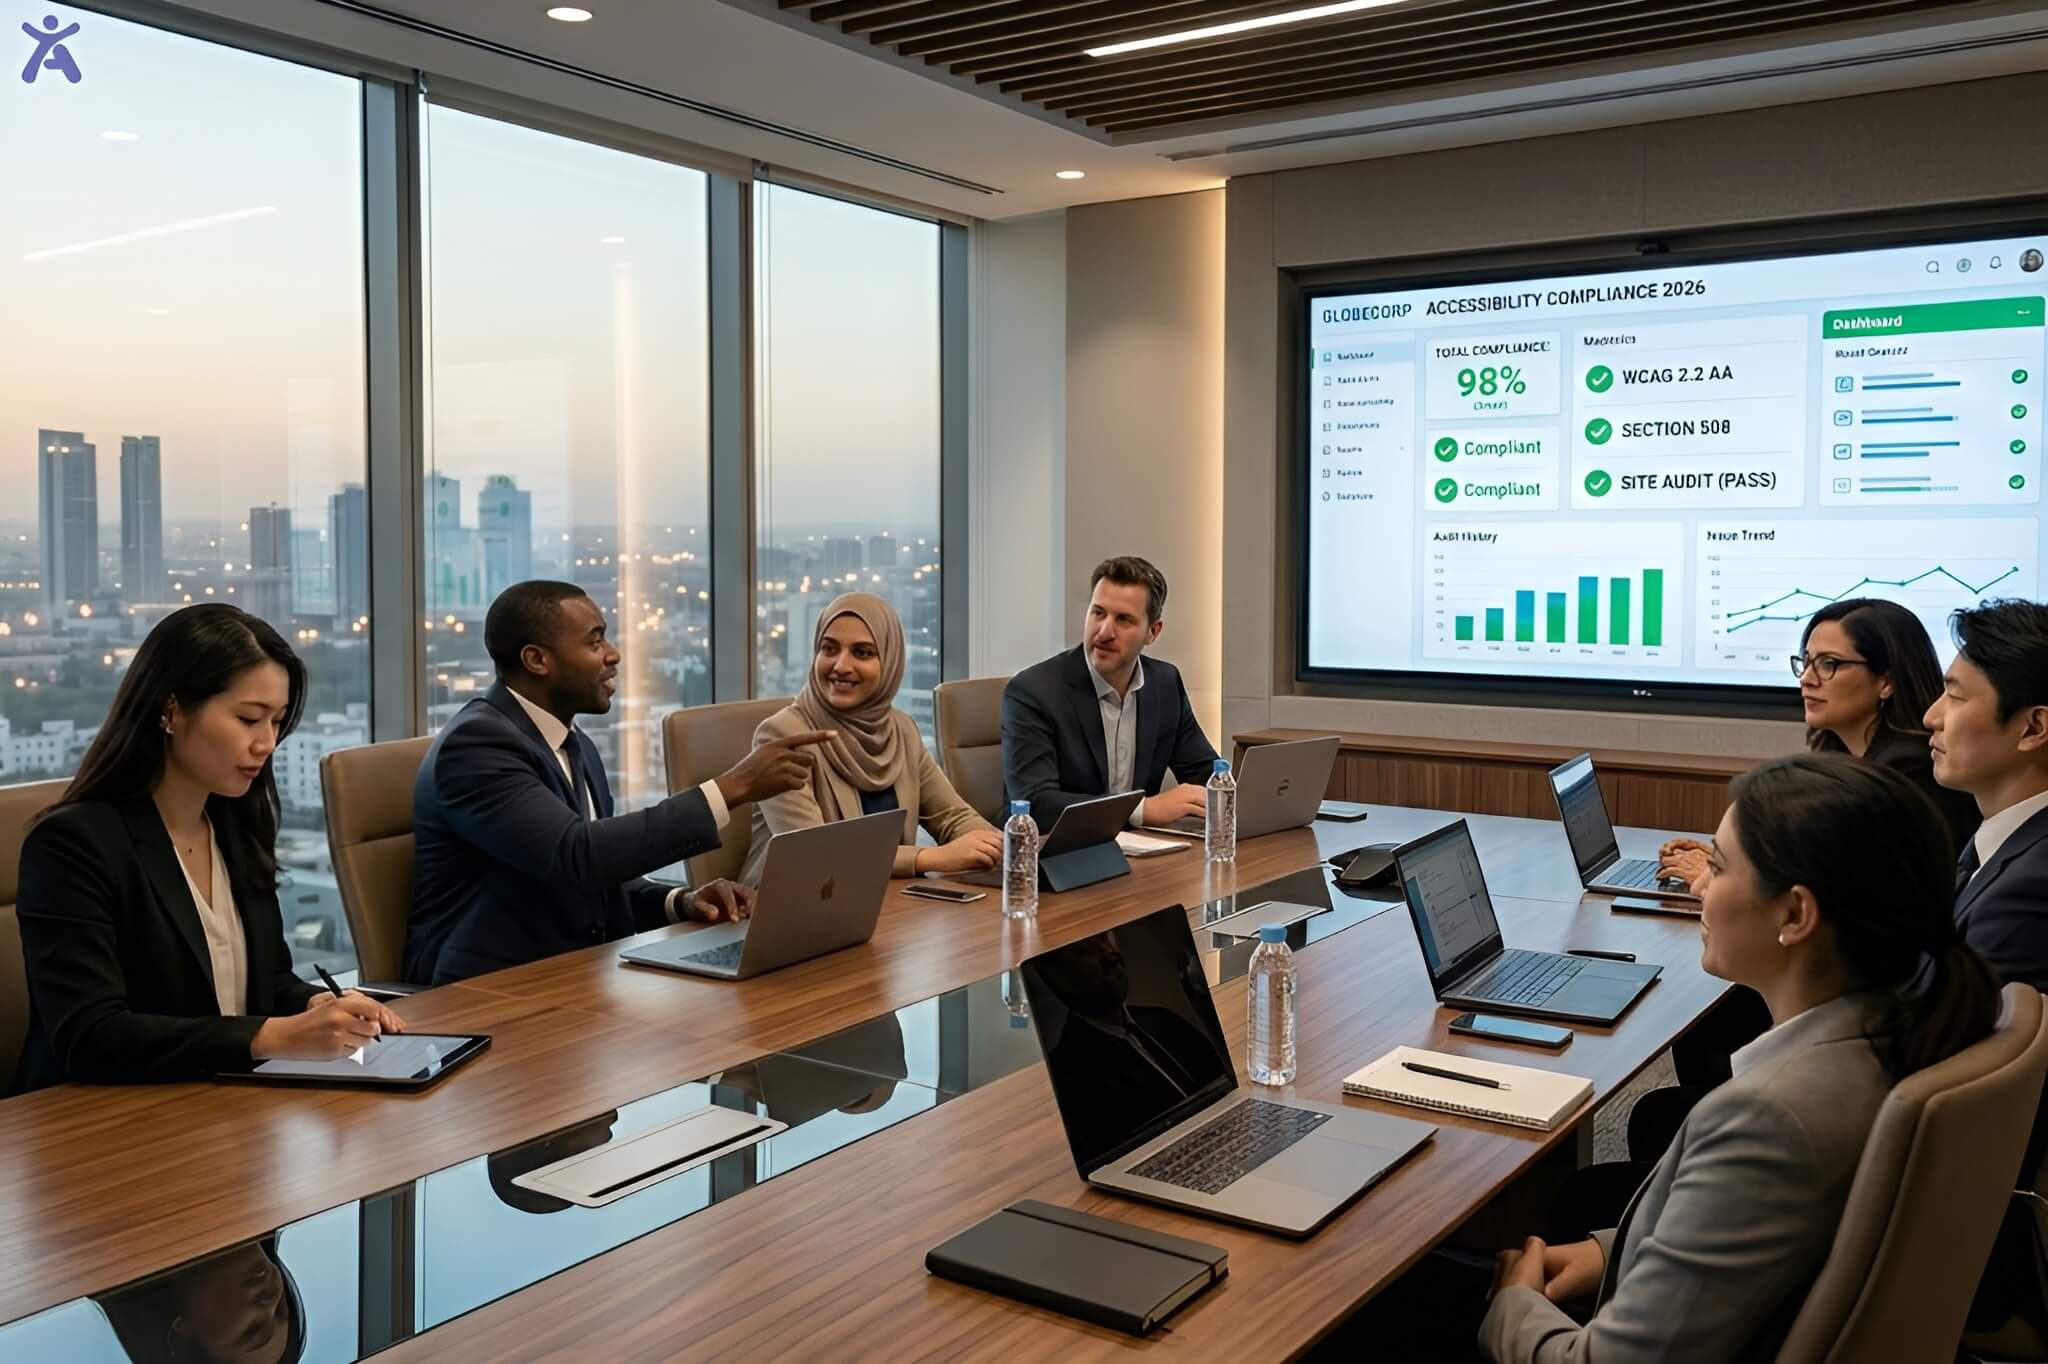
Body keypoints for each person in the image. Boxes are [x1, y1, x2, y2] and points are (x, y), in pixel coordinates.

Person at [1480, 754, 2000, 1363]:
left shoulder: (1768, 1117)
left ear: (1796, 914)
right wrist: (1611, 1251)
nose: (1699, 884)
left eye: (1719, 867)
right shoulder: (1898, 1030)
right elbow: (1763, 1231)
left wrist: (1510, 1303)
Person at [12, 605, 406, 1094]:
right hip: (101, 1124)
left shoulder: (236, 823)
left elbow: (267, 983)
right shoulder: (73, 844)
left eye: (277, 722)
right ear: (171, 710)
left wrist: (313, 1007)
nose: (266, 744)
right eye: (248, 719)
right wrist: (277, 1035)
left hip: (220, 1106)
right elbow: (91, 1034)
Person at [406, 581, 825, 985]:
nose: (613, 654)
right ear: (537, 660)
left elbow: (602, 879)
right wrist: (734, 786)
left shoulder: (575, 745)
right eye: (595, 642)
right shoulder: (476, 746)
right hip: (485, 991)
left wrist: (681, 902)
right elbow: (577, 855)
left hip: (575, 977)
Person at [1660, 597, 1976, 889]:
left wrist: (1720, 876)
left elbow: (1840, 893)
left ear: (1887, 681)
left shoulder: (1908, 773)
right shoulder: (1846, 758)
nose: (1807, 679)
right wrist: (1732, 862)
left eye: (1829, 664)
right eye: (1807, 662)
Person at [741, 592, 997, 885]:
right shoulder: (783, 736)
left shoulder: (901, 730)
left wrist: (1001, 845)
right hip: (792, 906)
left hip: (884, 904)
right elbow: (814, 851)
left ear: (890, 662)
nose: (841, 665)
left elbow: (953, 816)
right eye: (829, 649)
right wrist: (929, 858)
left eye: (861, 652)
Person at [1001, 555, 1219, 831]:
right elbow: (1035, 804)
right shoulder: (1033, 692)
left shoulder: (1164, 683)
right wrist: (1141, 809)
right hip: (1056, 856)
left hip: (1140, 853)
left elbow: (1208, 775)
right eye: (1098, 613)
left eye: (1123, 619)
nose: (1104, 631)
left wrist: (1233, 795)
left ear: (1152, 632)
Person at [1929, 599, 2048, 992]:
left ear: (2033, 728)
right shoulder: (2014, 843)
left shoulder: (2028, 888)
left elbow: (1934, 1032)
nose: (1931, 717)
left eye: (1956, 698)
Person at [98, 1234, 304, 1364]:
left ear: (181, 1331)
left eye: (252, 1329)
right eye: (281, 1311)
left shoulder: (98, 1244)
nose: (270, 1301)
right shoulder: (269, 1182)